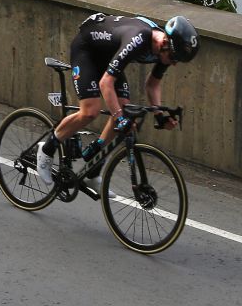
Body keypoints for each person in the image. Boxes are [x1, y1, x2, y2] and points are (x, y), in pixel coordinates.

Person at [34, 13, 200, 186]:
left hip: (107, 57)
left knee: (124, 112)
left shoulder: (164, 49)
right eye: (174, 58)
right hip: (87, 49)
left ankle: (93, 169)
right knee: (91, 111)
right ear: (165, 43)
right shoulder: (139, 39)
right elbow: (106, 83)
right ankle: (46, 149)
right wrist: (119, 118)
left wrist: (160, 116)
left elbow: (152, 84)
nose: (174, 63)